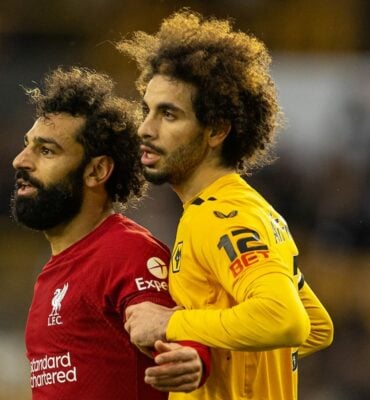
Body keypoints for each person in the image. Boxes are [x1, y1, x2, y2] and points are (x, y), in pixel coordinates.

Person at [117, 10, 334, 400]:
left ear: (216, 130)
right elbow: (316, 326)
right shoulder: (240, 207)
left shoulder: (222, 217)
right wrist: (209, 353)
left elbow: (285, 320)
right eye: (146, 110)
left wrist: (172, 322)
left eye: (168, 114)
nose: (145, 128)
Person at [11, 66, 210, 400]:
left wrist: (195, 358)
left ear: (97, 170)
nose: (21, 161)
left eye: (46, 151)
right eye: (28, 146)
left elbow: (176, 331)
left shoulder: (128, 253)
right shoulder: (52, 274)